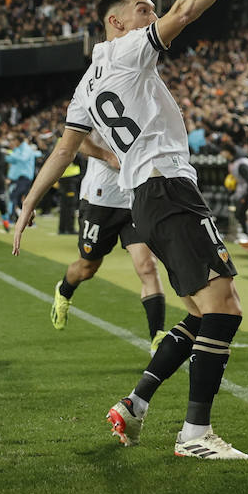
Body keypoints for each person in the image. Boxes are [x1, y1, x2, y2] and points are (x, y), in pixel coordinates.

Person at [12, 0, 248, 462]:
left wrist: (29, 202)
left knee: (198, 313)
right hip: (167, 186)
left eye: (150, 7)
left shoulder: (86, 84)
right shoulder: (128, 50)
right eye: (141, 10)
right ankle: (195, 433)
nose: (152, 15)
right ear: (116, 24)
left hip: (146, 194)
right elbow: (186, 11)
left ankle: (135, 404)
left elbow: (65, 145)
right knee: (225, 308)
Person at [49, 131, 167, 346]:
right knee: (87, 268)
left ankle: (157, 338)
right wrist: (106, 155)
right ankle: (64, 290)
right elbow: (77, 141)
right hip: (100, 199)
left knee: (148, 266)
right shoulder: (91, 98)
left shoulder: (147, 99)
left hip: (135, 197)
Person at [5, 131, 42, 223]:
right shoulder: (19, 149)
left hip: (25, 177)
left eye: (13, 140)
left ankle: (14, 218)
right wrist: (4, 156)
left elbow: (23, 158)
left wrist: (10, 153)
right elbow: (13, 160)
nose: (12, 142)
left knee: (16, 196)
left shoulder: (25, 148)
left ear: (18, 140)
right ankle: (26, 220)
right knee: (18, 199)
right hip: (20, 178)